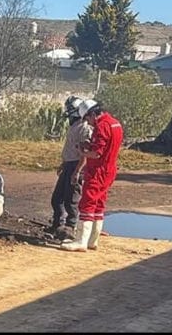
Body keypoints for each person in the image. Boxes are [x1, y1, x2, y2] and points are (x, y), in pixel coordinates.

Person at [61, 100, 124, 252]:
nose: (88, 123)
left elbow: (97, 153)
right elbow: (105, 147)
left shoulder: (102, 126)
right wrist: (89, 145)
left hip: (97, 171)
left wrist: (82, 152)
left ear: (93, 114)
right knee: (99, 204)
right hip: (109, 170)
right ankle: (92, 240)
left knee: (87, 204)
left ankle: (81, 241)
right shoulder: (115, 123)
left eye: (88, 119)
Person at [49, 95, 92, 237]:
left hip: (75, 166)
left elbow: (84, 153)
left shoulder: (84, 128)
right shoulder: (74, 126)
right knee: (57, 198)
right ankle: (57, 224)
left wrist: (77, 171)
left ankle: (70, 227)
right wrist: (63, 164)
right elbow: (71, 148)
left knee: (71, 199)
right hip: (68, 164)